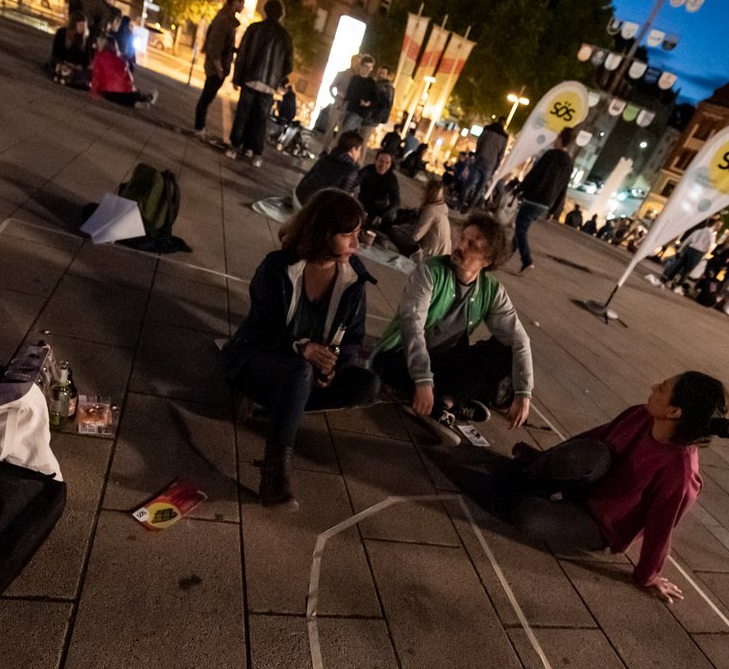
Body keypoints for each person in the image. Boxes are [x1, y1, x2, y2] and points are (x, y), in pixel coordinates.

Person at [497, 372, 729, 603]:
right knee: (592, 453)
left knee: (528, 516)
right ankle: (532, 479)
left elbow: (660, 529)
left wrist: (647, 576)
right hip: (587, 482)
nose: (653, 387)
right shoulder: (640, 415)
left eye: (662, 388)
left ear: (674, 412)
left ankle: (534, 490)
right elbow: (589, 440)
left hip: (598, 523)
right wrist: (543, 460)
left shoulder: (680, 475)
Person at [223, 189, 381, 510]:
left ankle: (281, 407)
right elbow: (258, 330)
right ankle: (275, 475)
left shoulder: (352, 279)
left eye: (357, 234)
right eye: (347, 235)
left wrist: (336, 365)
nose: (356, 244)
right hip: (261, 361)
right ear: (323, 233)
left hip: (303, 376)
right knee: (299, 369)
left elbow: (353, 340)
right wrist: (301, 347)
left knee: (368, 384)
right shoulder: (279, 267)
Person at [372, 213, 533, 446]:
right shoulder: (430, 271)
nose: (460, 246)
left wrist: (523, 394)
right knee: (390, 372)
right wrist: (423, 379)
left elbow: (520, 340)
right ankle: (448, 402)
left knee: (503, 352)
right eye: (462, 238)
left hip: (444, 360)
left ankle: (444, 402)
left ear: (488, 260)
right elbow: (412, 325)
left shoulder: (492, 290)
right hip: (401, 357)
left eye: (471, 244)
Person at [225, 0, 293, 168]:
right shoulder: (285, 37)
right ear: (280, 15)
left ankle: (235, 146)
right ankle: (255, 152)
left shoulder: (255, 29)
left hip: (251, 79)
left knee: (243, 114)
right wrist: (277, 77)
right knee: (260, 119)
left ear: (265, 11)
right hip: (269, 84)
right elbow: (289, 65)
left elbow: (242, 55)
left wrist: (237, 78)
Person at [513, 127, 575, 274]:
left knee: (521, 228)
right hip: (546, 203)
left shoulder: (551, 155)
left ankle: (527, 260)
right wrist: (554, 210)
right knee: (521, 227)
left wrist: (518, 190)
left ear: (560, 138)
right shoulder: (569, 163)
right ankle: (506, 255)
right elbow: (563, 188)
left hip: (534, 197)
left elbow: (534, 173)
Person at [193, 0, 245, 138]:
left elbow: (222, 45)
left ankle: (200, 127)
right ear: (235, 2)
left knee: (207, 98)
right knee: (206, 99)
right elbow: (214, 45)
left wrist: (233, 50)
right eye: (242, 2)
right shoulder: (224, 20)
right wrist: (220, 69)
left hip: (218, 67)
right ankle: (199, 128)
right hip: (216, 68)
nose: (243, 6)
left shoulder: (227, 18)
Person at [89, 33, 158, 108]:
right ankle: (148, 98)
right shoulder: (120, 57)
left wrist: (94, 93)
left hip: (113, 92)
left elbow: (96, 76)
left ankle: (135, 104)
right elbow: (128, 76)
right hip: (129, 91)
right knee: (134, 95)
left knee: (111, 94)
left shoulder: (99, 56)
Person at [295, 131, 362, 205]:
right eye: (359, 150)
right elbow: (343, 196)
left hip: (299, 198)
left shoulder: (325, 158)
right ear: (353, 150)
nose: (359, 154)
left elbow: (307, 177)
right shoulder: (351, 169)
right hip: (315, 208)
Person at [389, 179, 451, 259]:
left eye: (424, 189)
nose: (421, 190)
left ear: (429, 193)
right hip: (443, 252)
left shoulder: (431, 210)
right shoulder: (442, 206)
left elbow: (416, 237)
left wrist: (400, 230)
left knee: (393, 231)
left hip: (430, 253)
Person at [463, 117, 508, 212]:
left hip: (480, 159)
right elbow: (501, 154)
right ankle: (469, 208)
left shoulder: (487, 129)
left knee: (470, 183)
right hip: (490, 165)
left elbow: (479, 142)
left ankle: (461, 203)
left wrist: (477, 154)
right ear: (504, 124)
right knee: (480, 188)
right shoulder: (504, 137)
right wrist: (496, 166)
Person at [661, 217, 719, 289]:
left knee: (679, 265)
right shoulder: (711, 235)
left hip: (689, 248)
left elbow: (687, 240)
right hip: (698, 252)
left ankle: (669, 280)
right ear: (714, 225)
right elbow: (709, 248)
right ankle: (678, 285)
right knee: (687, 270)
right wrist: (703, 255)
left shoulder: (698, 231)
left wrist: (681, 250)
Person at [322, 54, 361, 149]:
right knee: (330, 128)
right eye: (355, 62)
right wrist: (335, 96)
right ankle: (325, 149)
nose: (356, 64)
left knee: (342, 132)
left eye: (358, 63)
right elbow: (331, 87)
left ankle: (334, 149)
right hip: (338, 104)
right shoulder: (342, 74)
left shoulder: (359, 79)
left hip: (348, 107)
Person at [356, 149, 401, 227]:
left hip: (379, 208)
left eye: (387, 163)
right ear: (375, 160)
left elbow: (396, 201)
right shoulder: (368, 169)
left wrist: (381, 216)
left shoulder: (392, 178)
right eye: (381, 161)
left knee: (392, 215)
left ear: (391, 164)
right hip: (363, 203)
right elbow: (355, 181)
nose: (383, 165)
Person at [50, 13, 94, 86]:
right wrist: (66, 62)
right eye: (80, 25)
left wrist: (81, 65)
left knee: (90, 73)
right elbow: (56, 52)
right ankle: (68, 77)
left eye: (84, 26)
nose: (82, 28)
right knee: (59, 65)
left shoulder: (85, 39)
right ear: (74, 25)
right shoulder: (62, 33)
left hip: (76, 67)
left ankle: (68, 78)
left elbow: (86, 58)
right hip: (63, 62)